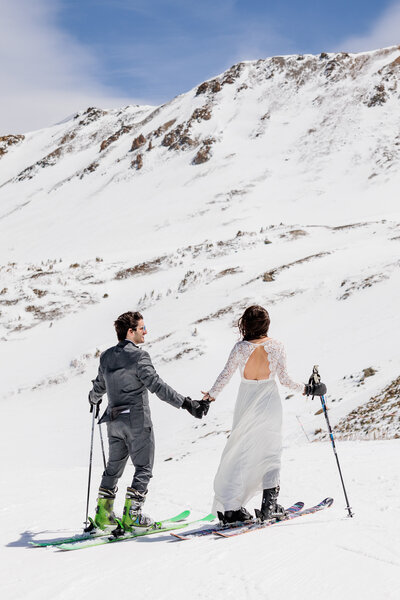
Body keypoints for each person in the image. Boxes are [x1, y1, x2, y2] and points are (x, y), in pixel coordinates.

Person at [88, 311, 209, 533]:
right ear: (130, 331)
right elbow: (156, 386)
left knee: (113, 468)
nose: (146, 331)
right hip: (136, 420)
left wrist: (93, 400)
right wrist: (186, 403)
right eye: (142, 328)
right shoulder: (139, 356)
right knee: (143, 467)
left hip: (113, 422)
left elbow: (98, 387)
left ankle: (104, 514)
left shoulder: (106, 357)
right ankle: (133, 516)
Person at [202, 305, 305, 524]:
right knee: (271, 451)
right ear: (267, 324)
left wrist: (210, 397)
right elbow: (285, 380)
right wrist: (307, 388)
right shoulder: (277, 346)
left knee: (239, 453)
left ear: (245, 325)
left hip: (246, 402)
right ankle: (269, 505)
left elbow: (225, 375)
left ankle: (231, 509)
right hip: (269, 402)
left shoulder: (240, 348)